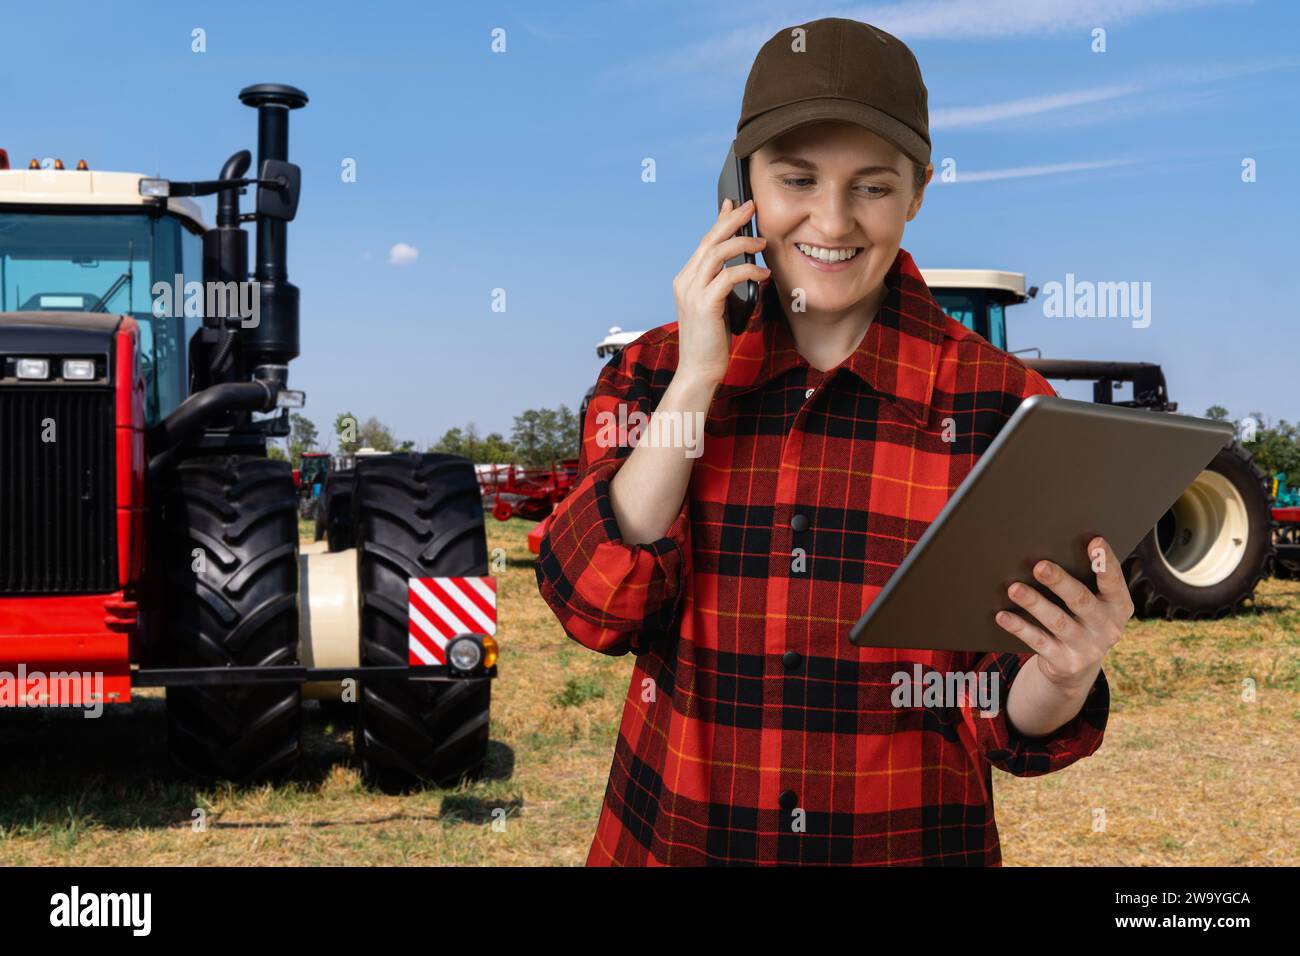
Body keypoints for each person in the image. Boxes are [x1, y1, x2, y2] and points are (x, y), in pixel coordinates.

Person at [536, 16, 1132, 866]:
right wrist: (699, 380)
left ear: (918, 193)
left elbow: (999, 714)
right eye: (798, 178)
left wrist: (1065, 675)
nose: (833, 219)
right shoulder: (654, 375)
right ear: (739, 188)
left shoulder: (1005, 407)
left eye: (873, 186)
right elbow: (595, 605)